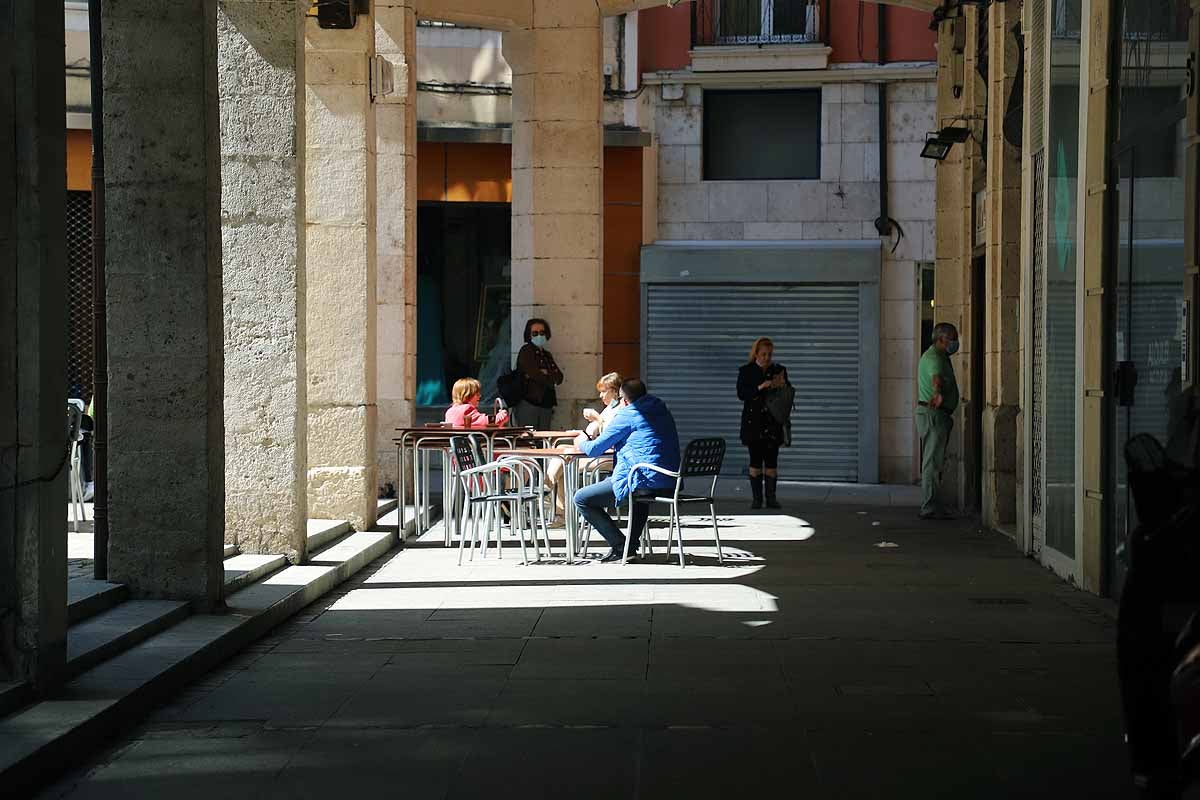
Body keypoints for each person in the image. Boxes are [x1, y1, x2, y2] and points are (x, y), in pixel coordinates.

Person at [573, 378, 680, 563]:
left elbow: (594, 449)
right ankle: (629, 547)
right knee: (639, 499)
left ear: (624, 399)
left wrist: (580, 442)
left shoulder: (628, 414)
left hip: (643, 478)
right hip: (670, 480)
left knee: (582, 499)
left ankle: (620, 545)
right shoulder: (662, 410)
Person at [547, 372, 623, 522]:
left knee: (564, 462)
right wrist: (582, 432)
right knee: (562, 453)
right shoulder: (608, 408)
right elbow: (594, 431)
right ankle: (558, 507)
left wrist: (597, 418)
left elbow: (610, 434)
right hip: (598, 451)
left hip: (609, 455)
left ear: (614, 391)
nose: (601, 396)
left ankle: (547, 491)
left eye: (603, 391)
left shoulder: (621, 409)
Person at [737, 337, 790, 509]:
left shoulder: (778, 370)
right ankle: (757, 499)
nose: (767, 358)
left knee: (772, 462)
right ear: (756, 354)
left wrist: (780, 384)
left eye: (769, 354)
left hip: (772, 423)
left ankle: (771, 498)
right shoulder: (747, 371)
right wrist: (761, 386)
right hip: (754, 423)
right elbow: (742, 394)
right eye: (763, 354)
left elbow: (787, 395)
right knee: (755, 461)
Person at [917, 322, 960, 520]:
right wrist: (938, 393)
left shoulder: (938, 356)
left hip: (934, 415)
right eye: (953, 338)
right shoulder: (935, 357)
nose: (955, 343)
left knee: (934, 461)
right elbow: (936, 379)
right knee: (932, 462)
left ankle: (933, 504)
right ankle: (929, 506)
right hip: (934, 414)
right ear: (941, 339)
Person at [514, 317, 564, 430]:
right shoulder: (526, 351)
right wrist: (549, 376)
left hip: (546, 403)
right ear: (529, 335)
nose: (539, 336)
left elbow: (559, 377)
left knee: (544, 438)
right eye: (535, 333)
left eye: (542, 332)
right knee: (529, 439)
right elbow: (535, 374)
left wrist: (547, 373)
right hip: (529, 402)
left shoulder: (547, 355)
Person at [444, 378, 510, 428]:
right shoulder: (466, 409)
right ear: (468, 395)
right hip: (472, 443)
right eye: (477, 394)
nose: (480, 396)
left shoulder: (449, 412)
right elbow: (488, 422)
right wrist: (502, 415)